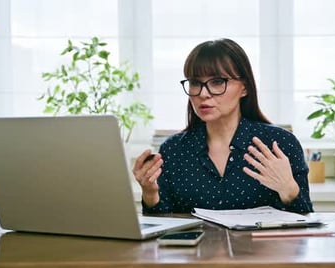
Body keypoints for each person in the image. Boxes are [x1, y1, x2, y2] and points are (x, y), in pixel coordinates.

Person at [132, 38, 313, 214]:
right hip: (199, 245)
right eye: (195, 83)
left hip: (258, 245)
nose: (203, 93)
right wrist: (150, 194)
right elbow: (162, 225)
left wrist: (288, 189)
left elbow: (306, 223)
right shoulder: (173, 150)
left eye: (217, 82)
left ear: (245, 87)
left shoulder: (280, 144)